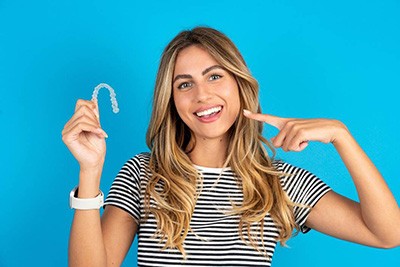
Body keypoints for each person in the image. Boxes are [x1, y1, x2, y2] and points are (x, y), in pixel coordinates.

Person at [61, 27, 400, 266]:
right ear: (172, 100)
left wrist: (343, 136)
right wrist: (90, 171)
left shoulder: (278, 182)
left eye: (214, 76)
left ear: (239, 84)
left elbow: (387, 234)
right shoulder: (142, 174)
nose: (202, 95)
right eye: (184, 84)